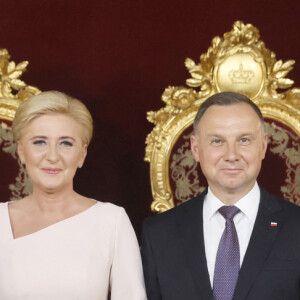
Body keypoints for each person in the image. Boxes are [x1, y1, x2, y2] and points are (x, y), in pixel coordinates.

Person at [141, 92, 300, 300]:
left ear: (262, 146)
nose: (231, 155)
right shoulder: (159, 234)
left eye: (244, 140)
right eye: (217, 141)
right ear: (196, 149)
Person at [0, 91, 147, 300]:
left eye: (65, 143)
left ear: (82, 154)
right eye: (40, 142)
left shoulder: (112, 221)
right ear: (22, 151)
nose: (52, 156)